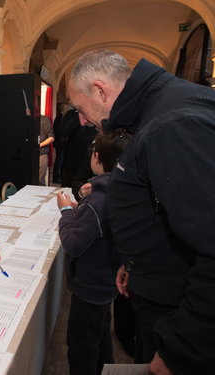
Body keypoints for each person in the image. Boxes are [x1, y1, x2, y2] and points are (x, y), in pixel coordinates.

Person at [68, 49, 215, 375]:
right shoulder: (158, 110)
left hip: (176, 315)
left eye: (80, 109)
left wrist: (181, 350)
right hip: (156, 284)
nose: (81, 119)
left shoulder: (172, 124)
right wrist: (135, 263)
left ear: (100, 90)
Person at [57, 128, 131, 375]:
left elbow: (73, 243)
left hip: (89, 287)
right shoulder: (119, 193)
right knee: (100, 339)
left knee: (81, 348)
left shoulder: (97, 202)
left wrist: (67, 212)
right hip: (105, 283)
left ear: (97, 158)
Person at [59, 105, 97, 187]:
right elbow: (63, 131)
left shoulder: (97, 113)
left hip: (90, 165)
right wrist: (79, 114)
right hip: (71, 163)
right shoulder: (72, 114)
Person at [39, 115, 54, 185]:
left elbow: (51, 138)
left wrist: (38, 145)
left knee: (40, 180)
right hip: (29, 153)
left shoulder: (44, 119)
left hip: (41, 154)